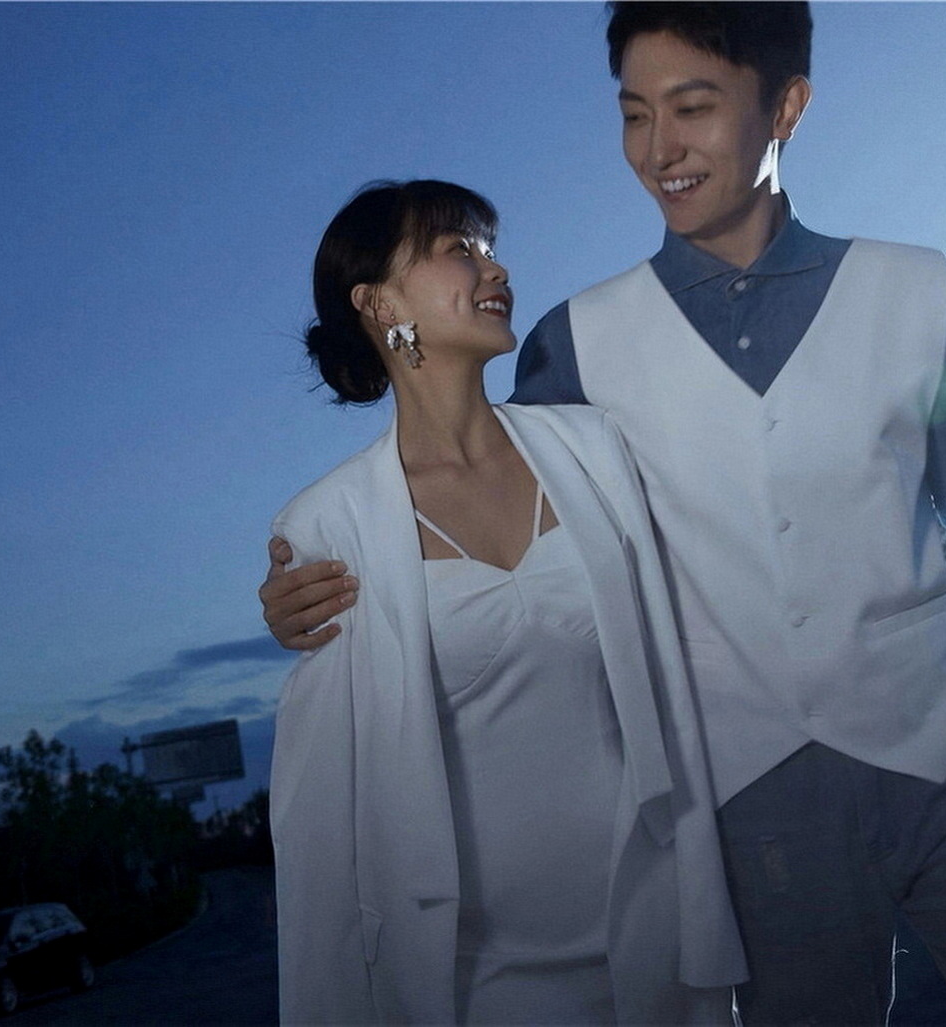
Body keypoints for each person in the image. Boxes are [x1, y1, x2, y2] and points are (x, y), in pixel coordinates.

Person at [262, 5, 946, 1024]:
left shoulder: (917, 290)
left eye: (693, 108)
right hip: (749, 814)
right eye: (635, 114)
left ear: (787, 107)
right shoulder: (572, 347)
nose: (659, 149)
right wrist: (315, 585)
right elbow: (491, 508)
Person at [268, 179, 744, 1025]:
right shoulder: (328, 526)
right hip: (479, 981)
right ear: (378, 302)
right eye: (460, 250)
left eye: (490, 249)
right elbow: (321, 822)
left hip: (654, 936)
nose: (497, 269)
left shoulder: (596, 448)